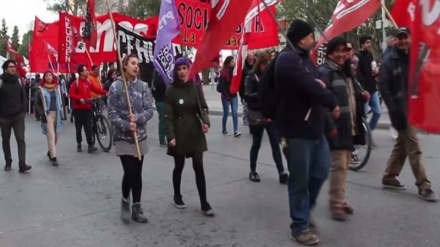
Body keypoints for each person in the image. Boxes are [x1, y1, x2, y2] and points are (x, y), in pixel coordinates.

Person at [274, 20, 340, 245]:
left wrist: (329, 125)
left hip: (316, 129)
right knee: (299, 181)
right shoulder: (286, 60)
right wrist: (329, 98)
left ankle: (306, 210)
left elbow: (319, 85)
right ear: (302, 38)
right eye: (311, 35)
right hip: (296, 131)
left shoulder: (306, 61)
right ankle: (299, 226)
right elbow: (310, 86)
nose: (314, 39)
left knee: (321, 171)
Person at [379, 27, 438, 202]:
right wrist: (394, 111)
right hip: (401, 110)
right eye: (400, 38)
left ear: (411, 39)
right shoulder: (389, 61)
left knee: (403, 145)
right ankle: (424, 185)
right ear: (396, 40)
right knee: (413, 146)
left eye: (406, 38)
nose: (403, 41)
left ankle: (389, 176)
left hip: (413, 108)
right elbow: (383, 87)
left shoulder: (414, 58)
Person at [319, 37, 370, 221]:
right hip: (336, 127)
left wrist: (362, 95)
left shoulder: (346, 71)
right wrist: (330, 126)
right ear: (330, 53)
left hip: (350, 125)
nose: (342, 54)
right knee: (339, 165)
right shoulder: (325, 72)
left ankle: (339, 199)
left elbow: (351, 95)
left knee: (345, 164)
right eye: (337, 51)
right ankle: (335, 204)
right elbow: (323, 102)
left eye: (344, 50)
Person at [164, 57, 214, 216]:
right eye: (179, 69)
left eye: (184, 68)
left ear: (189, 69)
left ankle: (204, 203)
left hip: (195, 131)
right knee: (179, 165)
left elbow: (203, 107)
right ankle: (177, 195)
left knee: (199, 165)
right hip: (179, 132)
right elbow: (168, 116)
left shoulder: (194, 85)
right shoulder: (171, 90)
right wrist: (170, 135)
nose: (182, 72)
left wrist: (205, 121)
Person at [108, 54, 154, 223]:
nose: (136, 67)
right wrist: (126, 125)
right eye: (133, 63)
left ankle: (137, 206)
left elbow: (149, 110)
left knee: (137, 173)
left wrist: (138, 119)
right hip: (123, 138)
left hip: (140, 137)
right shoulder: (116, 87)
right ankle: (125, 200)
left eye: (138, 64)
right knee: (130, 171)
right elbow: (111, 114)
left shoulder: (143, 86)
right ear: (125, 65)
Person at [244, 51, 288, 184]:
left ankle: (282, 172)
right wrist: (262, 95)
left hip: (270, 115)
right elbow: (247, 95)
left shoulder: (271, 76)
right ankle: (253, 170)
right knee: (256, 144)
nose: (265, 67)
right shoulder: (251, 76)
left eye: (267, 64)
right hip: (257, 114)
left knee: (275, 143)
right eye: (263, 64)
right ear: (259, 63)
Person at [0, 60, 32, 173]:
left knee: (21, 139)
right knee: (5, 140)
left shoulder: (18, 80)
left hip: (18, 115)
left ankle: (22, 164)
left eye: (14, 66)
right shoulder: (1, 81)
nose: (13, 68)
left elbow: (23, 95)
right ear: (5, 69)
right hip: (4, 117)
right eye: (10, 67)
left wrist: (23, 110)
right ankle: (8, 162)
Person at [69, 64, 107, 153]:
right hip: (78, 109)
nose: (87, 71)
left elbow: (96, 89)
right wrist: (79, 99)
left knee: (88, 127)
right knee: (78, 128)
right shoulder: (75, 83)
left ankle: (90, 145)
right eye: (85, 70)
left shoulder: (88, 82)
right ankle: (79, 143)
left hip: (87, 108)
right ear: (81, 72)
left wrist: (105, 92)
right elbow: (71, 94)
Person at [34, 70, 63, 166]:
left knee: (57, 135)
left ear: (53, 77)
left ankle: (50, 151)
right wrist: (41, 113)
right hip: (48, 115)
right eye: (46, 75)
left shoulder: (57, 88)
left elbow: (62, 102)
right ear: (44, 78)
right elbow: (37, 104)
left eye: (50, 75)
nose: (48, 77)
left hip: (57, 113)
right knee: (51, 135)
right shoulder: (41, 90)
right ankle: (54, 157)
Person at [357, 35, 381, 136]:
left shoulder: (370, 55)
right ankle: (363, 136)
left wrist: (376, 72)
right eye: (367, 42)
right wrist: (363, 89)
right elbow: (359, 75)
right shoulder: (357, 57)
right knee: (365, 114)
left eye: (370, 42)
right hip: (364, 89)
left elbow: (371, 71)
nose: (369, 44)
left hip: (372, 88)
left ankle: (368, 134)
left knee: (377, 112)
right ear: (362, 44)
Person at [219, 56, 241, 137]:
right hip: (226, 96)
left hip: (233, 95)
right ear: (228, 63)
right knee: (226, 113)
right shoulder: (223, 72)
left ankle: (236, 131)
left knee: (235, 112)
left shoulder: (234, 71)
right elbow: (222, 86)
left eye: (233, 61)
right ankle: (224, 129)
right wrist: (226, 96)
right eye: (232, 61)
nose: (233, 62)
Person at [152, 69, 167, 147]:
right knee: (163, 119)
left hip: (168, 98)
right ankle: (162, 139)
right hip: (160, 99)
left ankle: (170, 137)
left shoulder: (168, 69)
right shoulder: (157, 71)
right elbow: (156, 85)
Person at [239, 51, 255, 126]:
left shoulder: (256, 64)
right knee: (246, 107)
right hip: (245, 90)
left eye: (252, 57)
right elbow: (240, 81)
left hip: (255, 89)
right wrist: (241, 95)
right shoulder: (243, 66)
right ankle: (246, 120)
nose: (250, 59)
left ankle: (253, 119)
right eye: (249, 57)